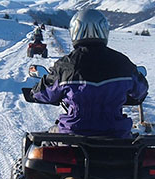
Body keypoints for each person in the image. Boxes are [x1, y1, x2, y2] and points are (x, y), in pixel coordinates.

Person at [29, 9, 148, 138]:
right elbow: (141, 91)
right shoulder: (123, 63)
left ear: (75, 31)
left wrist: (34, 92)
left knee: (36, 144)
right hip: (117, 134)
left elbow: (44, 93)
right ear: (104, 30)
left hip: (73, 134)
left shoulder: (65, 66)